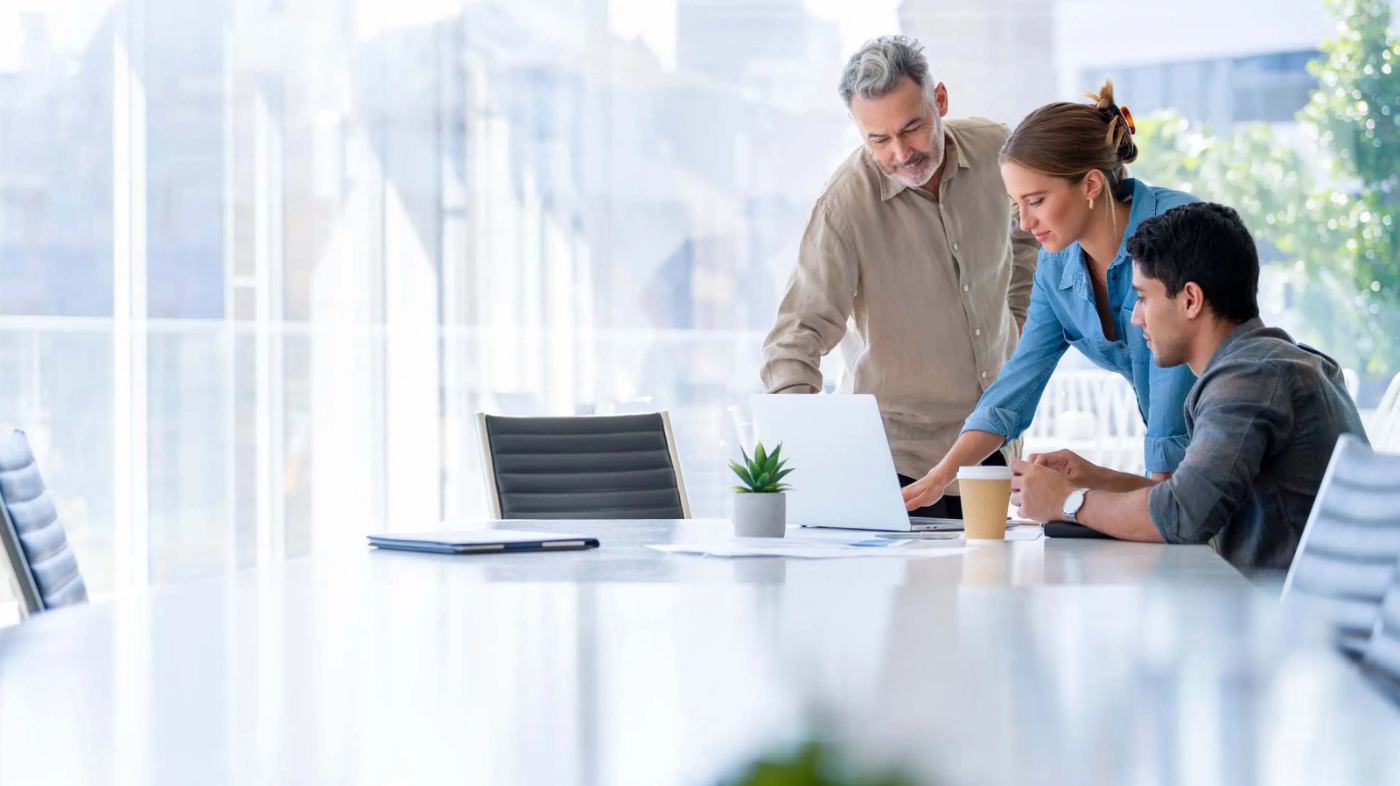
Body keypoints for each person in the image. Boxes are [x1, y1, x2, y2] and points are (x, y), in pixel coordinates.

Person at [760, 36, 1037, 518]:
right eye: (878, 139)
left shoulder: (998, 149)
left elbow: (1028, 231)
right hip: (899, 466)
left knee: (995, 591)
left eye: (913, 128)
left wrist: (1015, 317)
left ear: (941, 101)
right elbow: (794, 339)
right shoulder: (844, 208)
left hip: (992, 447)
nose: (901, 153)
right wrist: (811, 460)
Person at [1010, 203, 1368, 574]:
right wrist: (1095, 479)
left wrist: (1068, 501)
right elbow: (1194, 498)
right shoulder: (1268, 362)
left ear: (1191, 300)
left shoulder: (1249, 378)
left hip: (1289, 621)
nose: (1135, 317)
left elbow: (1182, 516)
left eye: (1144, 297)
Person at [903, 80, 1200, 512]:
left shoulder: (1175, 231)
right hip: (1184, 483)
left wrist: (1087, 500)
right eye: (1016, 205)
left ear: (1092, 185)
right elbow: (1015, 387)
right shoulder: (1057, 265)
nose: (1025, 224)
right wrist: (939, 477)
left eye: (1037, 201)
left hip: (1233, 458)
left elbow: (1172, 443)